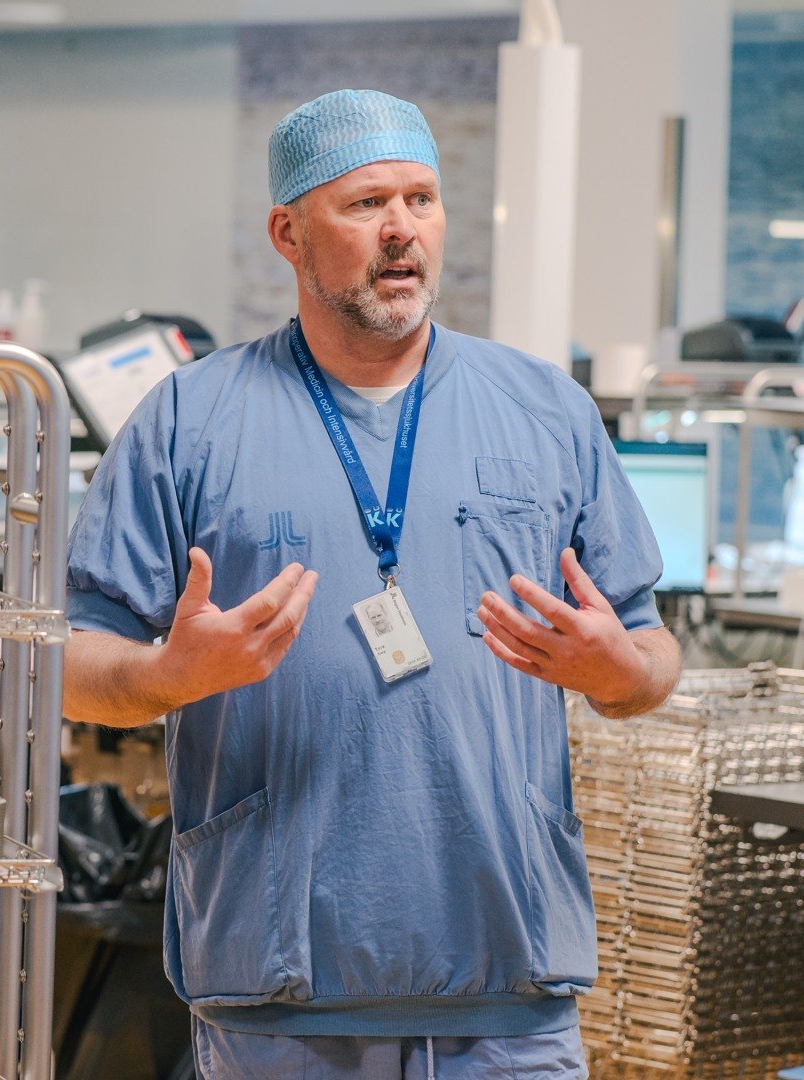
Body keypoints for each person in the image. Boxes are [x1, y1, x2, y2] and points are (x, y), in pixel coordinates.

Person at [62, 89, 681, 1079]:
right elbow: (67, 661)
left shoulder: (545, 412)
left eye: (422, 201)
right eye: (363, 206)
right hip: (280, 993)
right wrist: (168, 676)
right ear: (288, 232)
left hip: (506, 987)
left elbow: (652, 656)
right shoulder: (191, 421)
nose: (402, 231)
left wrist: (616, 671)